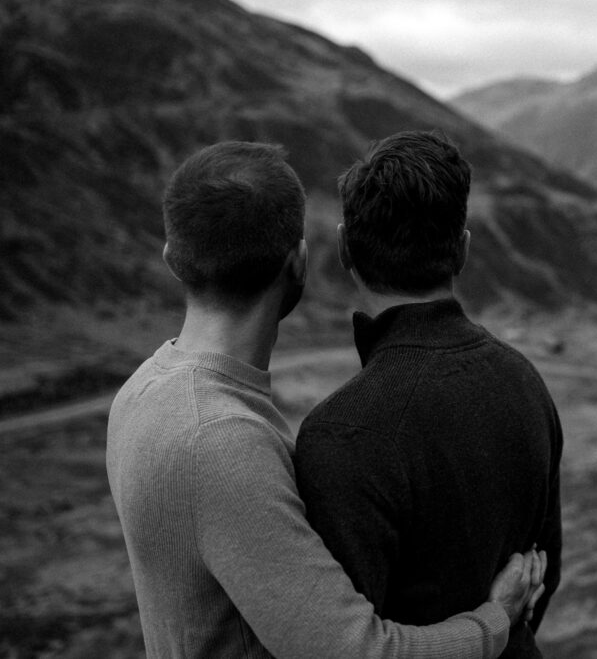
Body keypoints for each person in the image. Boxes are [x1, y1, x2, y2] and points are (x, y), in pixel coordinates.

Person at [106, 141, 546, 659]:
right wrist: (495, 620)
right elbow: (354, 651)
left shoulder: (138, 393)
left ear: (172, 259)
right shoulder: (221, 443)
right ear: (299, 262)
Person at [294, 130, 563, 659]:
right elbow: (542, 576)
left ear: (345, 247)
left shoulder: (342, 433)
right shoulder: (526, 381)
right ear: (462, 249)